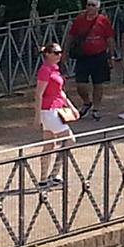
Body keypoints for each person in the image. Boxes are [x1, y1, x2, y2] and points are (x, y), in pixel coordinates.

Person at [63, 0, 115, 121]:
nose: (90, 7)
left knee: (98, 83)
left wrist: (111, 56)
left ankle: (96, 109)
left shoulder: (103, 20)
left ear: (98, 7)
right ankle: (87, 102)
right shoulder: (79, 19)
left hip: (99, 56)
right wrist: (64, 52)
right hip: (83, 56)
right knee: (80, 84)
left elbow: (109, 39)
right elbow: (71, 36)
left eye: (93, 5)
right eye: (88, 5)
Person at [34, 43, 77, 190]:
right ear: (48, 54)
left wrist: (71, 107)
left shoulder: (55, 70)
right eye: (56, 53)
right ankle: (54, 173)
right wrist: (37, 117)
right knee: (69, 140)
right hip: (49, 111)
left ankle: (44, 178)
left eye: (60, 52)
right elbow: (39, 95)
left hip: (56, 109)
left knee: (49, 144)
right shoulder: (45, 71)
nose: (59, 55)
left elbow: (60, 92)